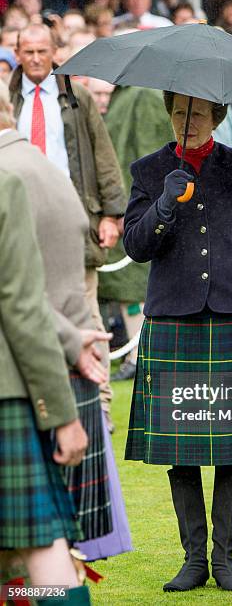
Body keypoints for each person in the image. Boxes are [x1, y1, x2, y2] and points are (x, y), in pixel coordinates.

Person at [123, 92, 232, 592]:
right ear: (170, 116)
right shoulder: (150, 170)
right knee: (183, 450)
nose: (186, 122)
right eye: (178, 113)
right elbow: (135, 246)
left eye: (196, 114)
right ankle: (193, 559)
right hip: (173, 319)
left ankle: (225, 558)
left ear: (215, 117)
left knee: (231, 450)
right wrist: (165, 204)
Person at [0, 83, 114, 546]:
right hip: (56, 362)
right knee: (36, 560)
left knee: (39, 557)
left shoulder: (9, 176)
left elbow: (18, 299)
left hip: (29, 375)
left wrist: (62, 413)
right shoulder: (44, 169)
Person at [9, 23, 126, 431]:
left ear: (55, 51)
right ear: (18, 53)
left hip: (73, 220)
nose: (37, 59)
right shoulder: (7, 100)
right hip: (19, 220)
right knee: (24, 310)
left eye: (44, 51)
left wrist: (111, 215)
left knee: (86, 316)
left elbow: (103, 154)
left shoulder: (77, 97)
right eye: (29, 52)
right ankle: (39, 402)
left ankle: (102, 406)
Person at [0, 154, 90, 603]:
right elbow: (22, 306)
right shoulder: (5, 185)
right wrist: (63, 415)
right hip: (5, 396)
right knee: (41, 550)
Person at [96, 82, 175, 381]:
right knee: (129, 289)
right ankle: (137, 354)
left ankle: (139, 355)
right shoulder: (132, 96)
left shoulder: (142, 96)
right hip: (127, 207)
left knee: (135, 287)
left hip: (133, 210)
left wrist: (132, 207)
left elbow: (147, 155)